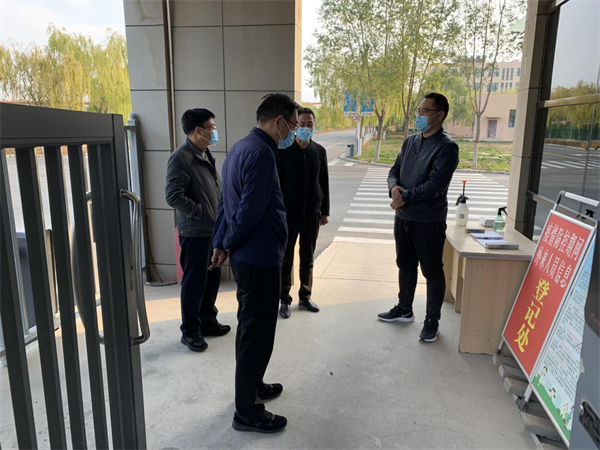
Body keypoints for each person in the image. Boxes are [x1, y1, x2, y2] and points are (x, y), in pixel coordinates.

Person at [211, 93, 299, 434]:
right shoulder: (262, 152)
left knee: (252, 329)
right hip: (259, 257)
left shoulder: (239, 148)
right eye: (292, 125)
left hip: (249, 256)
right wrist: (229, 242)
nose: (293, 132)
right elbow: (249, 209)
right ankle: (246, 411)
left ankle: (253, 385)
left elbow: (225, 203)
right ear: (278, 121)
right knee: (256, 333)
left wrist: (221, 243)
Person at [377, 93, 459, 343]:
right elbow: (394, 170)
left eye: (425, 111)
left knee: (432, 271)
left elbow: (436, 186)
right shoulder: (410, 142)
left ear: (439, 115)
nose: (420, 115)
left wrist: (404, 197)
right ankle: (404, 308)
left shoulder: (446, 147)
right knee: (405, 264)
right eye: (419, 110)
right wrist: (393, 188)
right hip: (403, 217)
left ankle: (432, 321)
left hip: (428, 220)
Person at [165, 108, 230, 353]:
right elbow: (173, 196)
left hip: (213, 230)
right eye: (211, 127)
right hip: (195, 232)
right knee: (194, 283)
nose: (214, 131)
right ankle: (190, 331)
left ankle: (207, 321)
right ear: (197, 130)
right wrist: (201, 211)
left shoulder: (205, 154)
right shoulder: (181, 158)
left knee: (211, 279)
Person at [276, 107, 330, 319]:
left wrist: (325, 211)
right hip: (288, 214)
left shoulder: (319, 151)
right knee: (286, 258)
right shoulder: (284, 151)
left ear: (314, 126)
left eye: (310, 124)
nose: (306, 127)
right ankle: (284, 299)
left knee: (308, 257)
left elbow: (324, 183)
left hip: (312, 213)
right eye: (302, 123)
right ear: (295, 126)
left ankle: (305, 296)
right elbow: (277, 184)